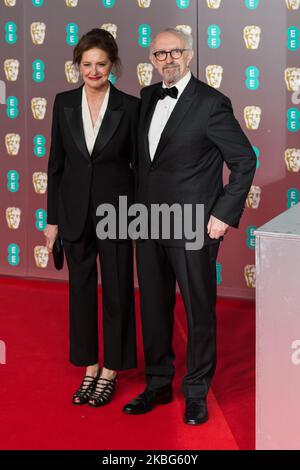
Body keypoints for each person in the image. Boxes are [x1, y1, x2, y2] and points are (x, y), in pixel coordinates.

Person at [123, 28, 256, 424]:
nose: (167, 59)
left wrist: (220, 216)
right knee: (154, 307)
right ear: (151, 59)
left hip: (194, 226)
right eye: (159, 53)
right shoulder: (147, 97)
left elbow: (244, 161)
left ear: (190, 54)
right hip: (148, 223)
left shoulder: (212, 104)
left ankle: (196, 391)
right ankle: (159, 383)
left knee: (199, 310)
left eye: (175, 52)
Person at [44, 28, 138, 408]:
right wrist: (52, 221)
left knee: (117, 291)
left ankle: (112, 368)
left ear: (113, 65)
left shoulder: (129, 106)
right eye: (87, 64)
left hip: (116, 214)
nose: (94, 71)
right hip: (73, 214)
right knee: (80, 293)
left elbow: (139, 168)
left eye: (101, 64)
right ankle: (90, 366)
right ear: (77, 66)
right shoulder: (63, 102)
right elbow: (56, 166)